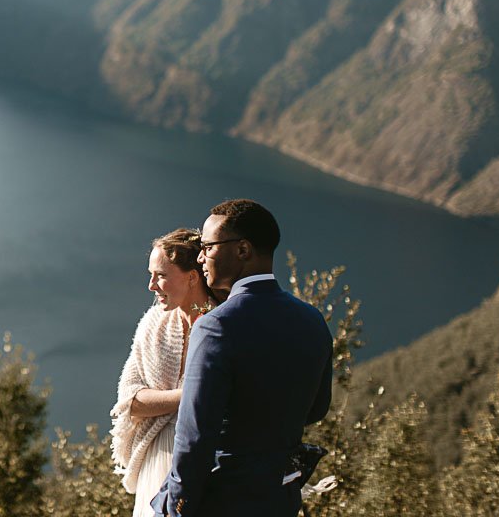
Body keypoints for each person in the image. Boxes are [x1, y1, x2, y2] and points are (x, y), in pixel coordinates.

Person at [150, 199, 333, 517]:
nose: (201, 257)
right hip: (280, 498)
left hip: (222, 500)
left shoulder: (216, 326)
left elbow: (195, 435)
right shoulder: (312, 319)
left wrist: (176, 506)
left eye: (208, 246)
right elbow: (316, 408)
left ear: (243, 250)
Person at [111, 228, 220, 517]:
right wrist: (188, 395)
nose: (151, 285)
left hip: (207, 464)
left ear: (192, 277)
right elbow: (129, 401)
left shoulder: (221, 326)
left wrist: (162, 401)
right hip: (156, 458)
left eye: (161, 275)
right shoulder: (153, 324)